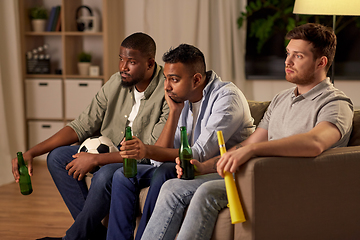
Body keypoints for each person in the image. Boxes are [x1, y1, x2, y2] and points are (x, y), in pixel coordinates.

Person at [141, 23, 354, 240]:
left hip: (290, 184)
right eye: (288, 53)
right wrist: (204, 166)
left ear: (321, 62)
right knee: (173, 187)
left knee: (205, 193)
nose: (287, 61)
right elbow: (246, 146)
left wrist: (254, 151)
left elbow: (315, 142)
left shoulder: (335, 103)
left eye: (298, 56)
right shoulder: (282, 99)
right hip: (256, 176)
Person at [11, 32, 170, 240]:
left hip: (138, 161)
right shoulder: (116, 82)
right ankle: (94, 235)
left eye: (131, 62)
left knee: (106, 175)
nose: (123, 67)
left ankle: (73, 237)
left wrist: (96, 158)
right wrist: (31, 152)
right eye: (121, 59)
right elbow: (81, 125)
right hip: (108, 150)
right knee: (58, 157)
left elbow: (149, 152)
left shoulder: (166, 91)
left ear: (149, 64)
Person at [106, 44, 255, 240]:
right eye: (166, 78)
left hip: (220, 170)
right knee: (123, 176)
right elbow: (160, 157)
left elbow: (198, 153)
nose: (166, 86)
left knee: (166, 172)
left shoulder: (227, 97)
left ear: (196, 79)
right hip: (188, 167)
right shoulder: (182, 100)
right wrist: (174, 114)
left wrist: (146, 150)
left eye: (174, 80)